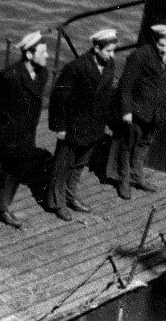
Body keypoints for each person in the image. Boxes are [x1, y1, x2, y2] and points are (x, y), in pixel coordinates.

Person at [0, 31, 49, 238]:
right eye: (43, 52)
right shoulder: (8, 77)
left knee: (15, 173)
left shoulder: (43, 74)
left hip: (26, 137)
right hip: (4, 137)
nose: (47, 56)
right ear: (29, 55)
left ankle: (2, 207)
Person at [45, 29, 118, 221]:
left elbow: (107, 96)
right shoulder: (76, 68)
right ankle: (56, 202)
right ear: (96, 48)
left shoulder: (109, 65)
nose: (112, 55)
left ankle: (70, 196)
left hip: (95, 125)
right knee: (62, 165)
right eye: (108, 51)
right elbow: (59, 98)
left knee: (79, 164)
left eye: (113, 50)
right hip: (74, 126)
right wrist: (60, 127)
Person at [114, 24, 166, 200]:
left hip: (157, 111)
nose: (164, 49)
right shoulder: (140, 55)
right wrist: (126, 110)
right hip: (138, 109)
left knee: (145, 143)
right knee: (128, 145)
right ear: (154, 41)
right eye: (161, 45)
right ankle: (124, 180)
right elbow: (126, 85)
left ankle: (137, 175)